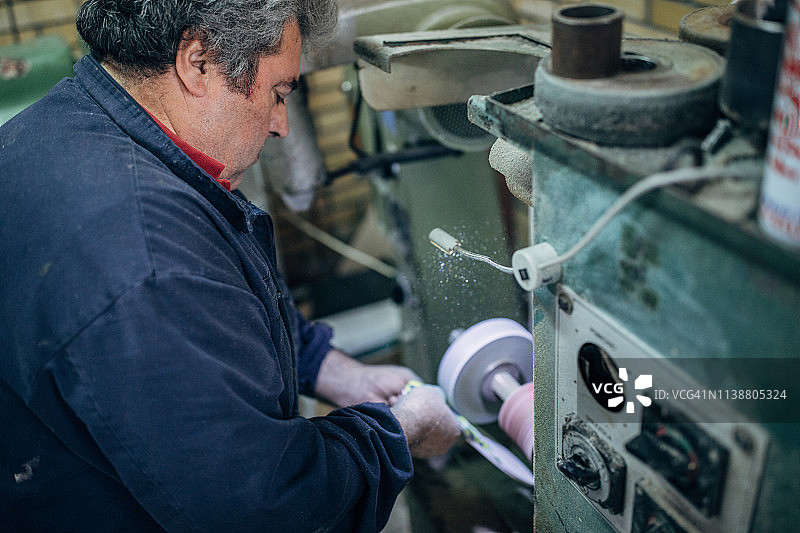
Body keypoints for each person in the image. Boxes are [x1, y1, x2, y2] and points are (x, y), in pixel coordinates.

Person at [0, 1, 462, 531]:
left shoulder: (67, 125)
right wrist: (400, 431)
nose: (282, 124)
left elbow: (212, 312)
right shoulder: (144, 259)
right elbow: (266, 507)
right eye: (278, 92)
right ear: (197, 62)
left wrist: (329, 369)